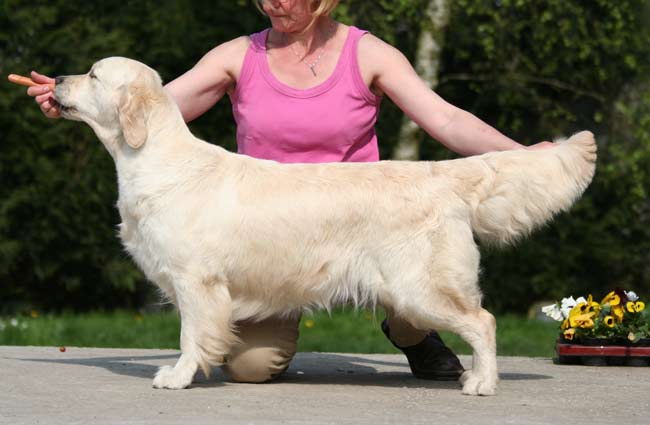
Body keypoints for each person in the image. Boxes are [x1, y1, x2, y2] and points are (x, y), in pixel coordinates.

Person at [29, 0, 553, 383]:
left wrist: (519, 155)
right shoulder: (239, 54)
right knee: (252, 367)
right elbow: (158, 107)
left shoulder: (367, 52)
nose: (277, 3)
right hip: (269, 231)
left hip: (366, 215)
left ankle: (414, 332)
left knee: (416, 297)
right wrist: (73, 101)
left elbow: (443, 118)